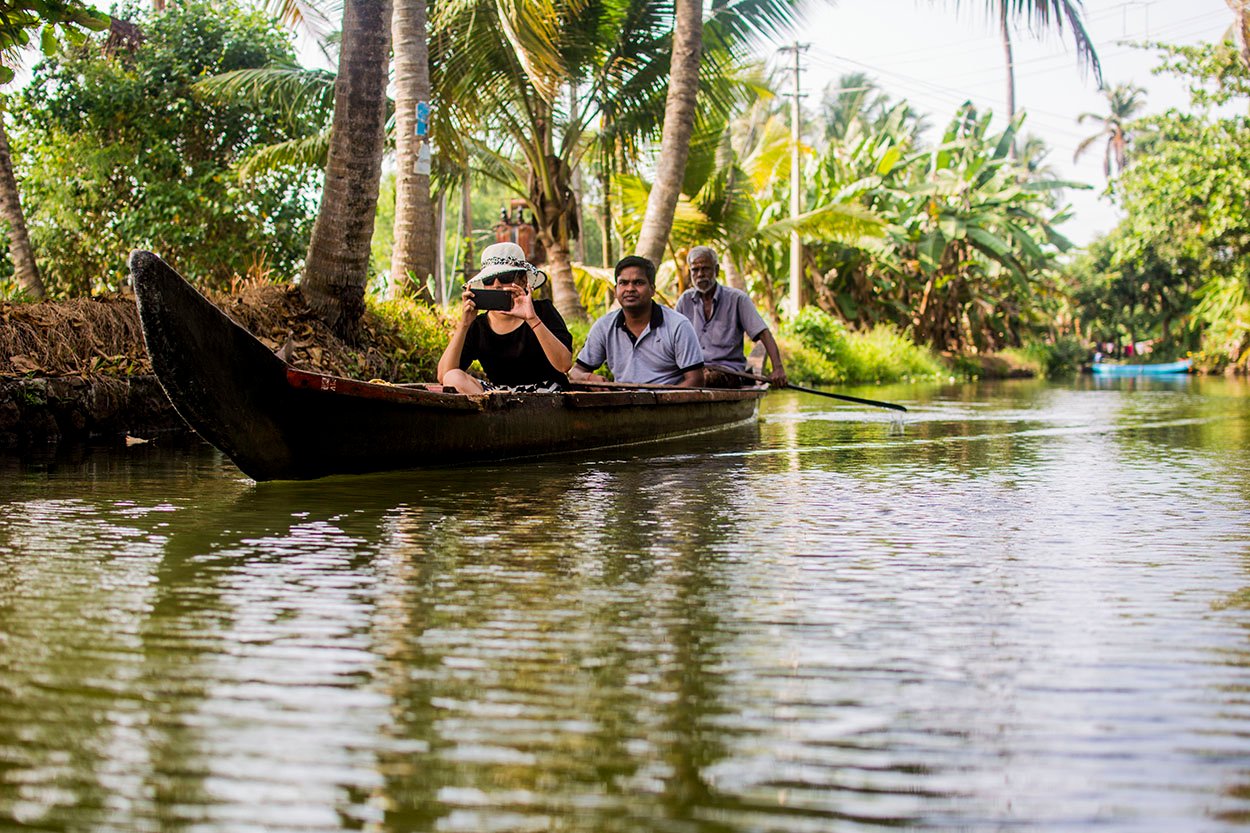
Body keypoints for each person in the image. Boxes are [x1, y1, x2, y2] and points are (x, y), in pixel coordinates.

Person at [437, 242, 573, 394]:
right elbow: (444, 376)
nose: (497, 285)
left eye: (504, 277)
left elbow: (564, 364)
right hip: (498, 399)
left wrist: (532, 319)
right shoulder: (479, 326)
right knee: (453, 377)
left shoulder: (542, 311)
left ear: (523, 280)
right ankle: (499, 413)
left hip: (546, 394)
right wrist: (464, 325)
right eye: (489, 279)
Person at [569, 255, 705, 387]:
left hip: (668, 406)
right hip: (622, 405)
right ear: (615, 291)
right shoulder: (604, 327)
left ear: (653, 290)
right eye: (623, 283)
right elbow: (576, 372)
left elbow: (696, 380)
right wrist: (589, 378)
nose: (630, 289)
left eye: (638, 282)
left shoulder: (678, 326)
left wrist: (660, 403)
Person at [675, 246, 787, 387]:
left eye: (705, 269)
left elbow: (764, 334)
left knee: (705, 380)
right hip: (694, 371)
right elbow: (672, 338)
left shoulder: (737, 299)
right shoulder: (685, 300)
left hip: (727, 372)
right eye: (695, 270)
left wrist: (778, 368)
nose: (700, 274)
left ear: (716, 270)